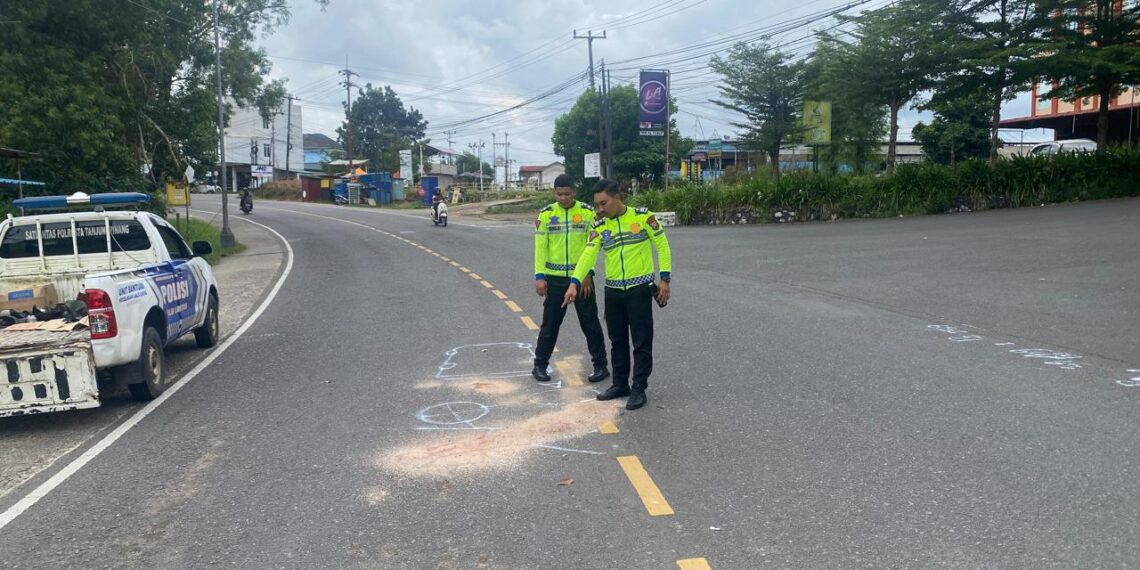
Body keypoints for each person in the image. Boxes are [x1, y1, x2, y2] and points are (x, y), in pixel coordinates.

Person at [563, 179, 671, 410]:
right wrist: (574, 283)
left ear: (617, 197)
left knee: (641, 341)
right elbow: (588, 255)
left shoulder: (643, 217)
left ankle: (639, 387)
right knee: (617, 340)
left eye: (603, 204)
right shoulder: (601, 226)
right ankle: (620, 383)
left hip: (639, 290)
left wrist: (665, 279)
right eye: (597, 205)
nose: (599, 209)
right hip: (613, 291)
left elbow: (661, 245)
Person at [532, 174, 609, 384]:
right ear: (553, 193)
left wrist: (588, 273)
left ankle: (601, 365)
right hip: (554, 279)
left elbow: (592, 247)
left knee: (590, 323)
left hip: (582, 279)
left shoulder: (587, 212)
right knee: (550, 325)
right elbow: (541, 248)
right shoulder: (546, 215)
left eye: (567, 194)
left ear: (573, 192)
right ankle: (539, 365)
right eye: (559, 194)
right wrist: (540, 277)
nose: (563, 198)